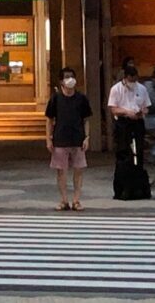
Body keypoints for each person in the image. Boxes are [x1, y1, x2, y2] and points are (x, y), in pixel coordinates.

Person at [44, 66, 94, 211]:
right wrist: (48, 138)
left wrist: (87, 137)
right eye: (66, 77)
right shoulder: (56, 99)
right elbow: (49, 120)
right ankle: (64, 200)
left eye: (72, 76)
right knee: (61, 171)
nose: (70, 79)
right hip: (60, 139)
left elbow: (86, 120)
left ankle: (76, 200)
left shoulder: (81, 98)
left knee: (78, 170)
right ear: (61, 81)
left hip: (78, 139)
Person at [108, 60, 152, 200]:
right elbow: (113, 108)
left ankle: (138, 188)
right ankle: (122, 189)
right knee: (124, 155)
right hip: (123, 124)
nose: (133, 82)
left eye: (135, 79)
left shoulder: (142, 89)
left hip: (138, 123)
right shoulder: (116, 89)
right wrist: (127, 112)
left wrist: (141, 112)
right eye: (130, 79)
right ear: (125, 78)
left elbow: (146, 106)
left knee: (138, 155)